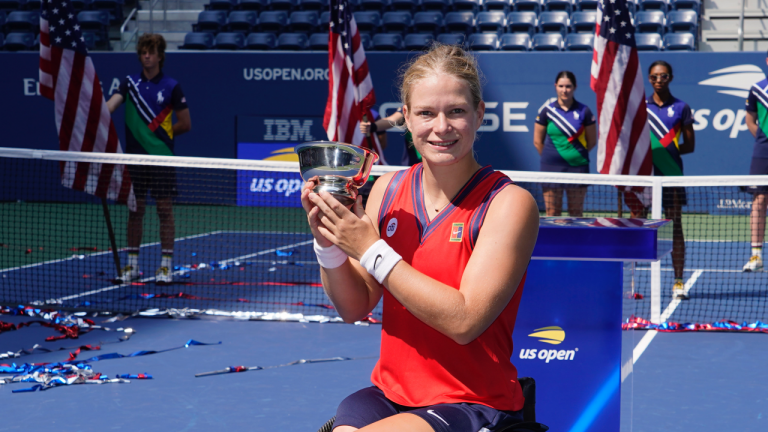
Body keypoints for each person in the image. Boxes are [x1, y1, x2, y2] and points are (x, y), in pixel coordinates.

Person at [302, 45, 539, 432]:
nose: (441, 127)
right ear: (407, 119)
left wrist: (369, 248)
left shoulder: (509, 203)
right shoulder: (386, 190)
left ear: (479, 114)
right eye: (426, 113)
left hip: (471, 401)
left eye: (456, 111)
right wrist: (327, 241)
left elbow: (465, 320)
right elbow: (353, 306)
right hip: (389, 394)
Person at [106, 34, 191, 284]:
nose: (146, 56)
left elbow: (185, 123)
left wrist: (160, 135)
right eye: (143, 51)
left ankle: (165, 266)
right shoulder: (129, 84)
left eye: (151, 52)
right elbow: (110, 106)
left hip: (163, 159)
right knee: (135, 211)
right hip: (135, 160)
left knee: (164, 210)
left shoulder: (172, 86)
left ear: (160, 56)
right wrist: (95, 109)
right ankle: (132, 266)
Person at [637, 61, 695, 299]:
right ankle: (633, 282)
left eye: (663, 76)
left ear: (670, 77)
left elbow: (690, 145)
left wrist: (664, 153)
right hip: (645, 177)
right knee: (638, 224)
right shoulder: (641, 107)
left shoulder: (681, 108)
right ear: (649, 79)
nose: (658, 80)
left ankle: (678, 281)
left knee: (675, 227)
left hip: (671, 176)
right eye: (653, 77)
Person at [533, 71, 597, 217]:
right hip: (551, 168)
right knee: (552, 212)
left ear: (575, 87)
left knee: (576, 213)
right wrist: (553, 158)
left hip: (578, 168)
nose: (564, 90)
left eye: (568, 86)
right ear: (555, 87)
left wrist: (574, 155)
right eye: (561, 86)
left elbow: (592, 141)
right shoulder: (547, 111)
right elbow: (537, 142)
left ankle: (575, 241)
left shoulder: (584, 111)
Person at [743, 52, 768, 272]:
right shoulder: (757, 89)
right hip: (764, 151)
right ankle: (756, 255)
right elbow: (750, 120)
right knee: (759, 200)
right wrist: (762, 139)